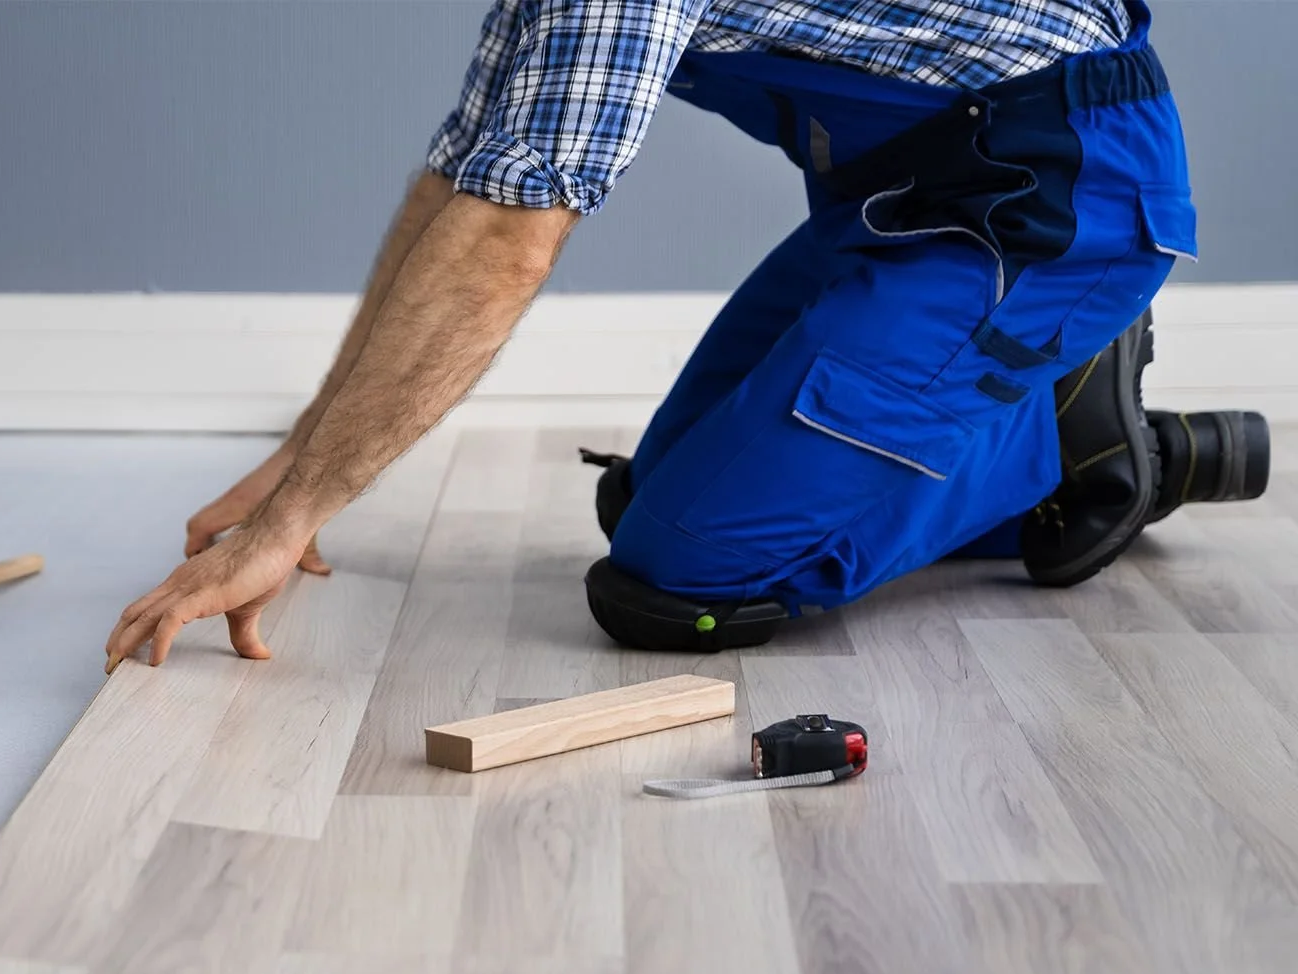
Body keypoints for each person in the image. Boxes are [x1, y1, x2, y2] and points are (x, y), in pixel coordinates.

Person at [104, 0, 1268, 672]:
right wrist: (300, 467)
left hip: (1051, 208)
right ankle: (1031, 399)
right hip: (907, 203)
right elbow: (465, 179)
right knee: (646, 507)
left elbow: (512, 234)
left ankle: (1077, 442)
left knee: (683, 579)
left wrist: (298, 514)